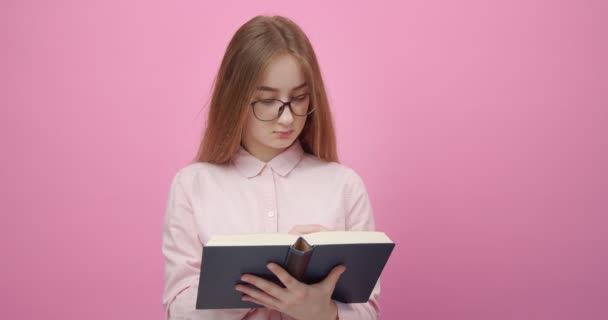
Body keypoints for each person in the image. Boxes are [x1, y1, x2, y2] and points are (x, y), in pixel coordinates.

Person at [161, 15, 381, 320]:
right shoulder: (192, 185)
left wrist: (323, 312)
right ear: (235, 98)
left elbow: (368, 311)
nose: (287, 118)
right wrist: (257, 293)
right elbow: (178, 308)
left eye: (299, 98)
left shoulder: (344, 185)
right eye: (267, 100)